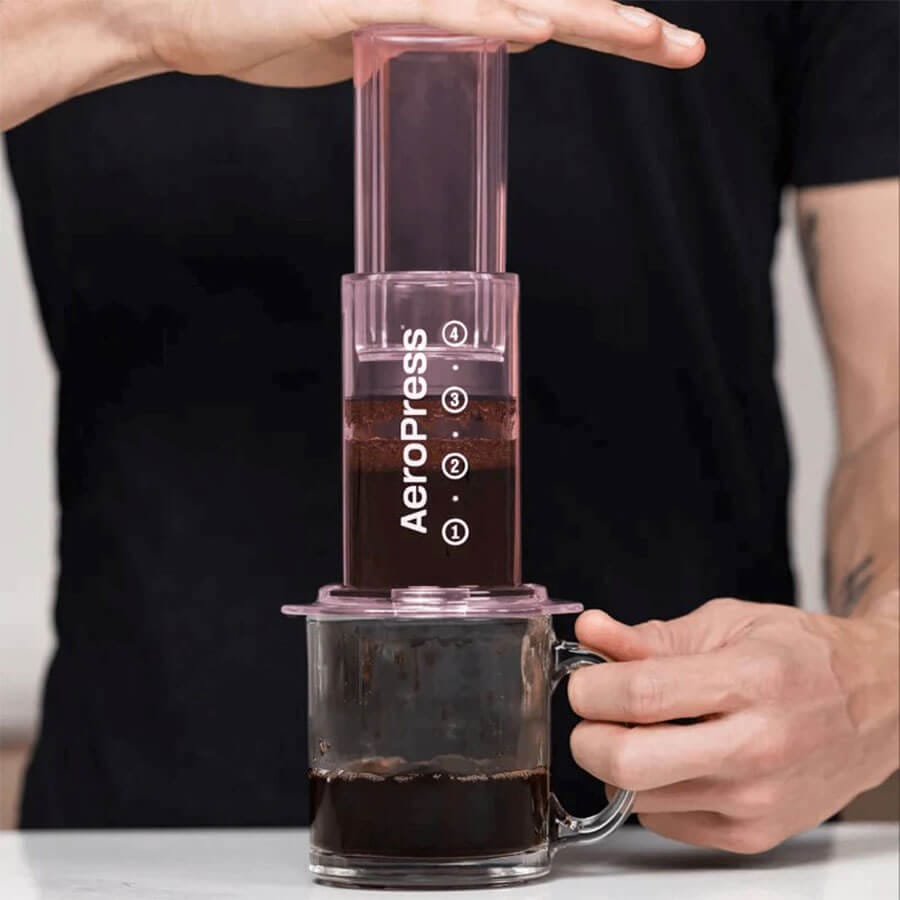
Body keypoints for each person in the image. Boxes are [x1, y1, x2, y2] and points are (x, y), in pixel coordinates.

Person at [1, 0, 897, 852]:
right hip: (133, 841)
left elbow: (888, 407)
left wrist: (883, 666)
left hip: (679, 842)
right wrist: (132, 25)